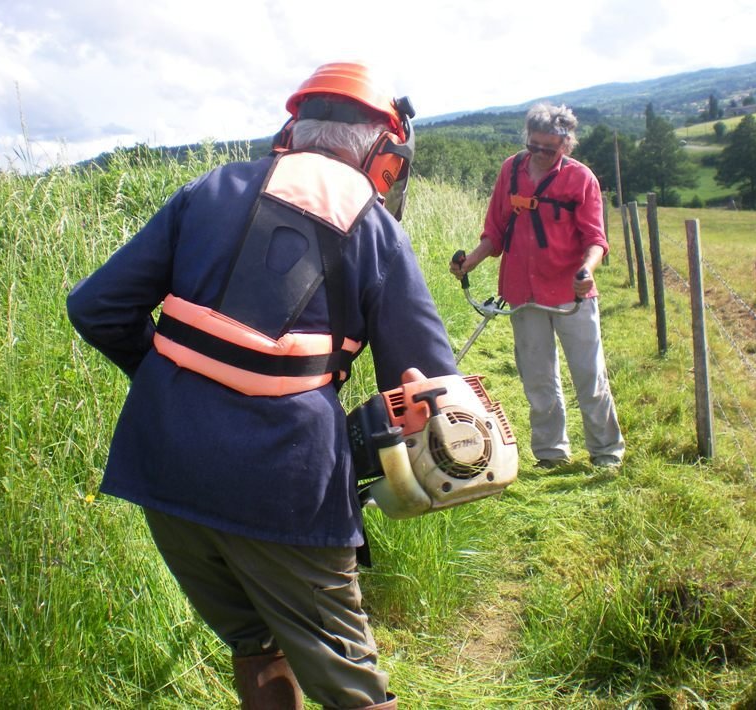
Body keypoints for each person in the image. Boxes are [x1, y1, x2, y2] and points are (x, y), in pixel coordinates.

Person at [67, 62, 458, 709]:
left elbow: (95, 308)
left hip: (162, 469)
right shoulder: (376, 229)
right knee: (350, 683)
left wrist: (174, 382)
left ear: (291, 128)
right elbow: (428, 388)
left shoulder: (211, 188)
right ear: (385, 157)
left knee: (252, 642)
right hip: (284, 490)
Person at [450, 102, 625, 469]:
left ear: (567, 145)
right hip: (522, 292)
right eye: (534, 146)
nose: (541, 155)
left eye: (550, 149)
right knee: (538, 380)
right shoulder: (510, 171)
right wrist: (471, 262)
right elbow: (495, 233)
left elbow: (596, 239)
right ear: (526, 139)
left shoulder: (581, 180)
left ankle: (606, 452)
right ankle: (551, 454)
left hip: (570, 293)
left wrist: (587, 271)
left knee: (589, 377)